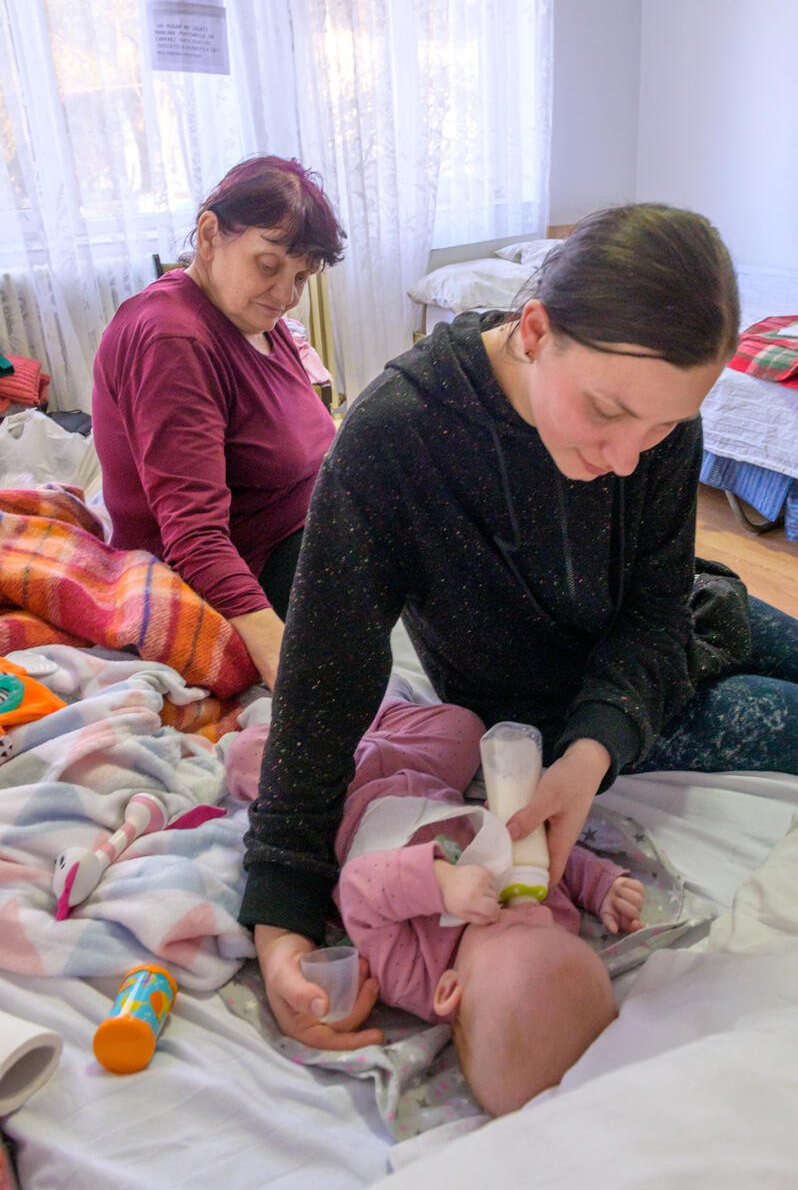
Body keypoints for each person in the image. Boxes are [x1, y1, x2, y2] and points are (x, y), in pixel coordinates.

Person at [239, 202, 798, 1047]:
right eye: (608, 413)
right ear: (534, 330)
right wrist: (282, 911)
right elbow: (324, 681)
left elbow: (657, 608)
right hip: (554, 699)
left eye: (664, 430)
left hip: (672, 634)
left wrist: (593, 756)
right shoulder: (400, 434)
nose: (626, 459)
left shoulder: (651, 424)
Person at [227, 685, 643, 1110]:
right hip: (425, 778)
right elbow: (553, 863)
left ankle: (309, 727)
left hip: (338, 803)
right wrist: (601, 884)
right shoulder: (547, 927)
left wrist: (442, 884)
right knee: (463, 727)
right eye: (558, 929)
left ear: (451, 989)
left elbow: (359, 889)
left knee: (248, 758)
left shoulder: (413, 975)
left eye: (515, 925)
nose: (535, 911)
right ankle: (370, 719)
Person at [92, 156, 345, 688]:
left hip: (295, 530)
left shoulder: (255, 316)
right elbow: (195, 535)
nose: (285, 294)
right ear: (209, 235)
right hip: (241, 567)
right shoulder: (174, 339)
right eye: (268, 265)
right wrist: (279, 653)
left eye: (301, 277)